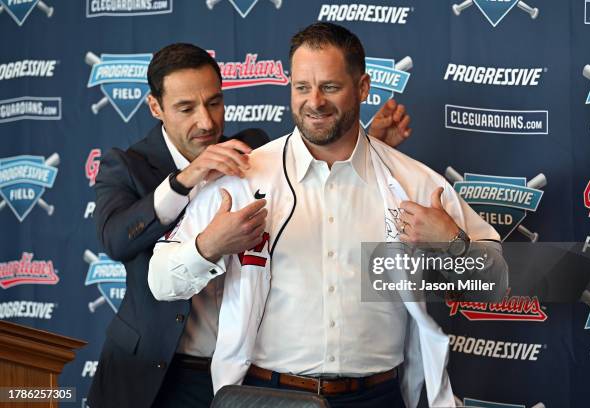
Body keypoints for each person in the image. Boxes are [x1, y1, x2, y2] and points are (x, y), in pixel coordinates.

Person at [149, 24, 508, 408]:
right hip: (268, 396)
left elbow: (497, 284)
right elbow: (160, 281)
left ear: (363, 87)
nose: (314, 101)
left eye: (330, 87)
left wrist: (451, 242)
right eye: (302, 87)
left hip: (377, 397)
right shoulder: (241, 177)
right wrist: (208, 246)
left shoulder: (416, 183)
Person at [87, 42, 412, 408]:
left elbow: (317, 174)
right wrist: (186, 179)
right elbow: (117, 239)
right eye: (186, 108)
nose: (206, 122)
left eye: (214, 102)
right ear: (155, 108)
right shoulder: (126, 165)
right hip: (155, 371)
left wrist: (370, 144)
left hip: (237, 371)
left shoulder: (252, 152)